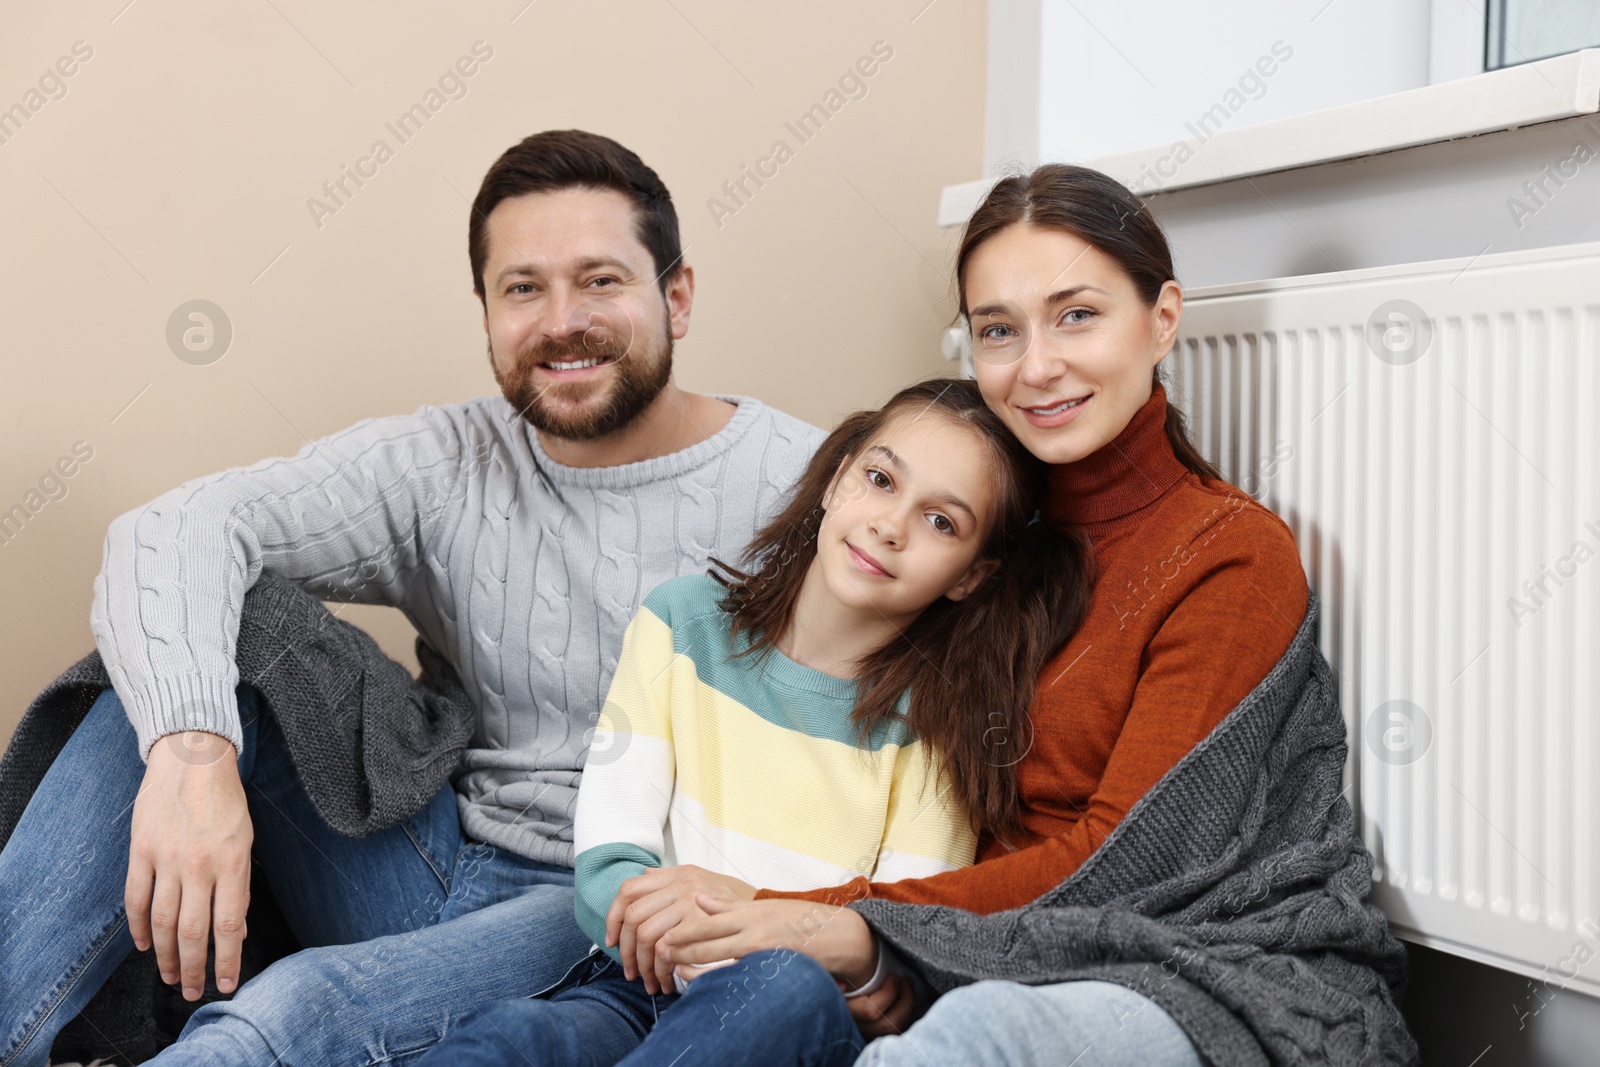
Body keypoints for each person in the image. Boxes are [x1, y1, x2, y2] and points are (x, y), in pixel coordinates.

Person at [0, 129, 826, 1066]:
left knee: (298, 1004)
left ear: (676, 296)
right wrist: (194, 754)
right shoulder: (449, 461)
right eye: (524, 288)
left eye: (601, 280)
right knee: (172, 674)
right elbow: (169, 529)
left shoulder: (805, 486)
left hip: (606, 903)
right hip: (428, 857)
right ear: (485, 315)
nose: (563, 320)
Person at [593, 164, 1410, 1066]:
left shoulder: (1227, 553)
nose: (1037, 366)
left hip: (1190, 959)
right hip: (974, 942)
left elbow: (1140, 860)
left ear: (1163, 318)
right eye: (998, 330)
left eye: (1078, 315)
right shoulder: (968, 537)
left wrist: (847, 926)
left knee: (959, 1048)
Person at [413, 377, 1095, 1066]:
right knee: (515, 1037)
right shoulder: (680, 622)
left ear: (970, 575)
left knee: (781, 983)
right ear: (836, 479)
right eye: (881, 478)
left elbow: (903, 925)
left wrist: (766, 944)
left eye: (941, 521)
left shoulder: (938, 724)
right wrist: (672, 939)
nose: (891, 525)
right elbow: (608, 860)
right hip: (638, 983)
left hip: (792, 1006)